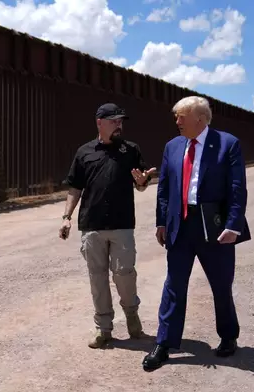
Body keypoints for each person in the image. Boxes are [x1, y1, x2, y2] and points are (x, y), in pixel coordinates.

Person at [142, 96, 251, 371]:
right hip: (181, 225)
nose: (177, 122)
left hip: (214, 227)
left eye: (181, 116)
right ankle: (164, 343)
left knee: (221, 284)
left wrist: (233, 225)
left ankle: (228, 337)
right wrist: (161, 222)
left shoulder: (228, 144)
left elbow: (237, 189)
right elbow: (164, 188)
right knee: (174, 285)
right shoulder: (173, 146)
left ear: (199, 118)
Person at [59, 103, 156, 349]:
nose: (119, 125)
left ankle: (132, 317)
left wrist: (143, 182)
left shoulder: (131, 150)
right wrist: (66, 216)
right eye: (114, 121)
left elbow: (141, 184)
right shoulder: (84, 152)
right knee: (97, 278)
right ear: (99, 122)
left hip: (122, 224)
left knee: (125, 274)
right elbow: (75, 187)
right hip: (91, 225)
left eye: (121, 121)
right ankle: (104, 329)